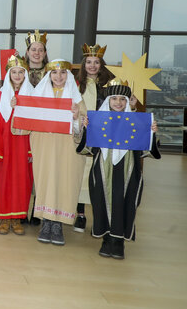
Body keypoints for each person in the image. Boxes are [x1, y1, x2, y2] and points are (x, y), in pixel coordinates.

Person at [77, 79, 160, 260]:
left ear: (127, 101)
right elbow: (87, 149)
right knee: (101, 202)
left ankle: (118, 241)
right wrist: (86, 129)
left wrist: (152, 133)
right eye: (114, 98)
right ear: (108, 101)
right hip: (102, 168)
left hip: (127, 170)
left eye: (122, 99)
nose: (118, 103)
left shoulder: (137, 123)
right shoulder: (98, 121)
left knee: (124, 203)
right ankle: (106, 239)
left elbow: (147, 150)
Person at [13, 59, 86, 246]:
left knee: (64, 181)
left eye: (62, 73)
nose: (58, 76)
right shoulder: (39, 96)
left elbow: (83, 131)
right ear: (49, 75)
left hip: (67, 149)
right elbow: (23, 126)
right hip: (44, 146)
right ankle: (46, 223)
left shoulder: (77, 99)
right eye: (54, 73)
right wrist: (18, 108)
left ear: (68, 76)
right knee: (46, 181)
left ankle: (58, 224)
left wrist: (77, 117)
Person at [0, 55, 33, 235]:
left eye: (21, 72)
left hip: (23, 145)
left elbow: (35, 122)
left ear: (25, 74)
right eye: (14, 72)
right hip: (4, 145)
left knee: (22, 181)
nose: (17, 75)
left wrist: (22, 106)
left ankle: (17, 219)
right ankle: (4, 218)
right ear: (8, 74)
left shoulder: (32, 94)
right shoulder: (2, 96)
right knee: (3, 181)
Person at [73, 43, 114, 233]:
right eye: (88, 62)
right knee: (81, 175)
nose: (92, 66)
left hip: (105, 137)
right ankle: (80, 215)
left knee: (101, 176)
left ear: (101, 64)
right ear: (83, 65)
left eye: (96, 62)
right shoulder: (75, 84)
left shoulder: (109, 84)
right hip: (83, 134)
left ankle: (100, 217)